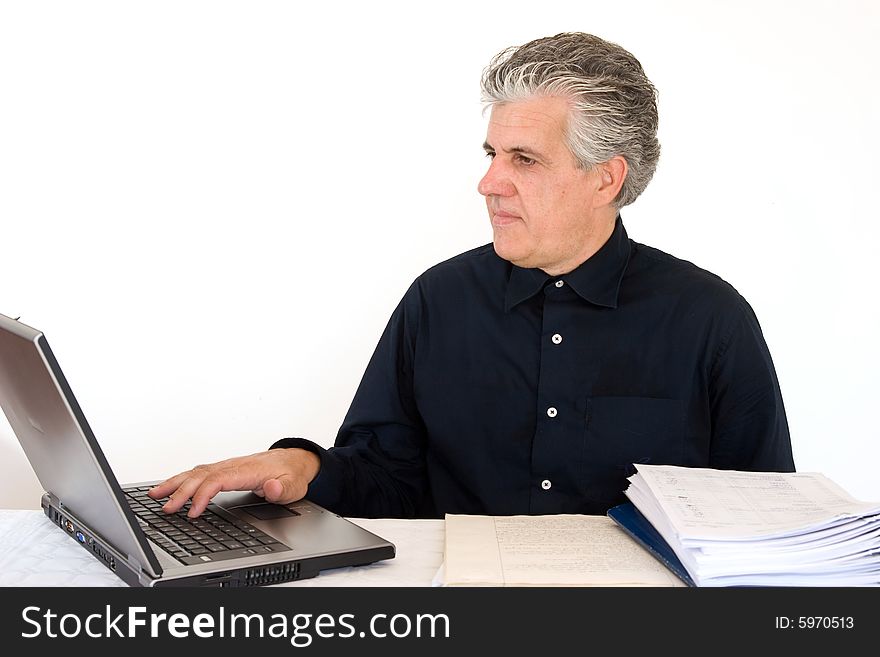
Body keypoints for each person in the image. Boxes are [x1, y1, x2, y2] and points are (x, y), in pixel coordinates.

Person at [151, 32, 794, 520]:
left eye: (525, 159)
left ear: (606, 177)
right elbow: (387, 477)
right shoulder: (439, 300)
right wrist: (302, 465)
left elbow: (767, 520)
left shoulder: (710, 319)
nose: (489, 182)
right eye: (492, 153)